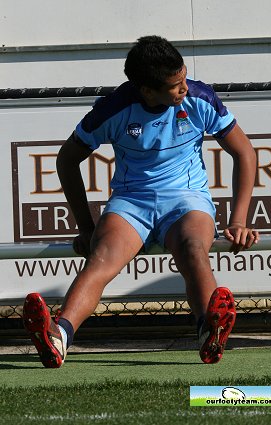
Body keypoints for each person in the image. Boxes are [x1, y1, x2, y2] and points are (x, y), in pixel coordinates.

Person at [23, 35, 259, 368]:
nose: (184, 89)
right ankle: (58, 337)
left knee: (193, 249)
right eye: (175, 86)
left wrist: (238, 221)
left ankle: (210, 330)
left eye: (184, 78)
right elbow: (66, 160)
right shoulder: (113, 109)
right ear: (146, 91)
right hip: (131, 203)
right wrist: (87, 228)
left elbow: (244, 152)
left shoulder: (201, 98)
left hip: (187, 201)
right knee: (101, 258)